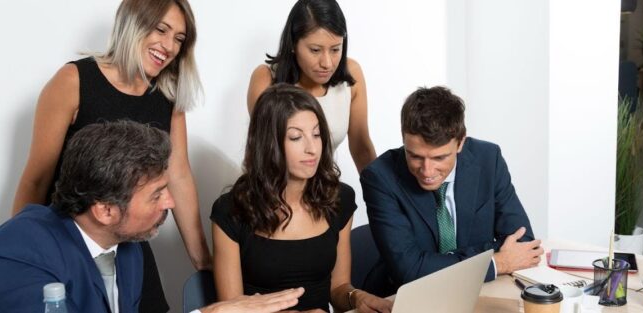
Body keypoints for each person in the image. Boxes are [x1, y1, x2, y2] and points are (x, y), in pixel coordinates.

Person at [0, 121, 304, 313]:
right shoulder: (18, 253)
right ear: (105, 210)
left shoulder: (128, 249)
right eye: (157, 194)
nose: (170, 202)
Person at [11, 1, 210, 311]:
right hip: (67, 243)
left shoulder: (168, 97)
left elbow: (180, 177)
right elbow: (37, 178)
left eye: (180, 39)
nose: (170, 46)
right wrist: (21, 256)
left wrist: (205, 265)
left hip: (129, 243)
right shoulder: (73, 81)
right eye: (161, 30)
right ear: (133, 23)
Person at [211, 84, 392, 312]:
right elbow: (231, 310)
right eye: (296, 137)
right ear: (269, 144)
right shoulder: (231, 211)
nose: (312, 149)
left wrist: (355, 298)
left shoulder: (339, 199)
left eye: (316, 135)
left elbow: (338, 288)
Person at [360, 86, 543, 296]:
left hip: (478, 292)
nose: (427, 171)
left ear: (460, 141)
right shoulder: (380, 177)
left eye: (439, 158)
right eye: (415, 156)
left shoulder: (488, 158)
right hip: (405, 299)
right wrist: (495, 263)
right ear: (403, 139)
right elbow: (409, 271)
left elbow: (524, 243)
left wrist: (432, 262)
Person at [247, 0, 376, 173]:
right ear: (293, 44)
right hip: (273, 189)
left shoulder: (351, 74)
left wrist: (382, 197)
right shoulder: (266, 79)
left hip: (324, 191)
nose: (327, 63)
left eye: (335, 49)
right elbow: (262, 154)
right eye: (315, 50)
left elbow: (362, 150)